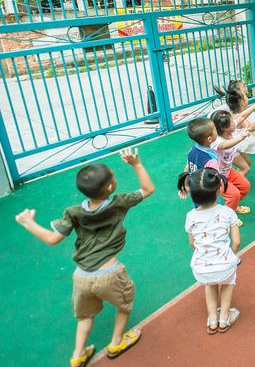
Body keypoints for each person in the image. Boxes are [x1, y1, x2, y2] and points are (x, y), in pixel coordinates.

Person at [15, 148, 154, 367]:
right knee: (124, 304)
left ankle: (78, 354)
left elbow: (52, 239)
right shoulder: (119, 202)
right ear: (110, 187)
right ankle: (116, 342)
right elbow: (148, 189)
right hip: (110, 273)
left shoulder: (74, 212)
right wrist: (136, 165)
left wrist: (30, 223)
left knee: (85, 316)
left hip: (81, 276)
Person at [180, 167, 241, 334]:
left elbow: (192, 244)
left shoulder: (190, 216)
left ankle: (213, 319)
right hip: (224, 264)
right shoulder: (228, 212)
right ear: (220, 189)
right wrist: (231, 255)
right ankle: (225, 318)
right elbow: (236, 241)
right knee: (228, 283)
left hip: (201, 267)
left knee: (210, 285)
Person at [208, 109, 253, 221]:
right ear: (225, 128)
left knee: (245, 187)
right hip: (217, 176)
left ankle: (232, 206)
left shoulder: (229, 131)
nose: (235, 122)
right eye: (232, 122)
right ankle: (228, 217)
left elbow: (241, 116)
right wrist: (240, 137)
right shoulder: (217, 140)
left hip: (228, 171)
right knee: (234, 194)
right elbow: (224, 146)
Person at [225, 87, 255, 175]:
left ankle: (233, 179)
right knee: (246, 169)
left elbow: (242, 116)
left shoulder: (233, 113)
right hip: (229, 149)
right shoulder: (236, 116)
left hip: (234, 145)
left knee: (248, 162)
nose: (247, 97)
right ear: (242, 103)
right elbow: (250, 128)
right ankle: (231, 186)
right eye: (246, 96)